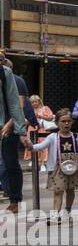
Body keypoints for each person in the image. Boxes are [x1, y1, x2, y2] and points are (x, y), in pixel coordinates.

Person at [32, 109, 78, 221]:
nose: (66, 123)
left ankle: (68, 210)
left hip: (73, 167)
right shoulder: (52, 137)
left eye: (68, 121)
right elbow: (41, 146)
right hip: (57, 168)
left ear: (72, 122)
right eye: (63, 121)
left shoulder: (77, 136)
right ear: (57, 123)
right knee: (58, 190)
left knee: (70, 190)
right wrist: (30, 146)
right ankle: (56, 213)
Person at [0, 53, 33, 213]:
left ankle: (14, 199)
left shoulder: (5, 74)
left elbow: (15, 103)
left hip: (6, 125)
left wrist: (19, 130)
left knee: (10, 162)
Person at [25, 94, 56, 165]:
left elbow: (51, 118)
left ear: (39, 101)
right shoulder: (29, 110)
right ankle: (33, 159)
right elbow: (26, 120)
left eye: (36, 101)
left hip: (43, 129)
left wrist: (40, 116)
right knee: (32, 143)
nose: (34, 103)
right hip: (32, 128)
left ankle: (44, 162)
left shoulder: (45, 108)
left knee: (43, 144)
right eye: (32, 102)